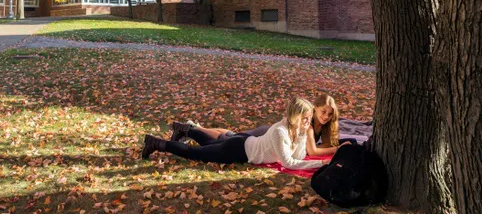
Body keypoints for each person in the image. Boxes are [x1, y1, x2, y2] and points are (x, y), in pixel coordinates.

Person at [141, 97, 328, 171]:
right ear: (295, 116)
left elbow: (298, 156)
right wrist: (320, 163)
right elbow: (289, 162)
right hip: (239, 149)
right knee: (195, 154)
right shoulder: (281, 131)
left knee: (207, 147)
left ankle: (187, 130)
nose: (308, 122)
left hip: (244, 143)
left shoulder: (296, 129)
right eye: (305, 118)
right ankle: (154, 143)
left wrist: (303, 134)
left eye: (309, 118)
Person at [168, 93, 347, 157]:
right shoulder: (307, 124)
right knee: (230, 135)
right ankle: (192, 127)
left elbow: (319, 147)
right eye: (323, 111)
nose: (326, 116)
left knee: (230, 136)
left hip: (265, 138)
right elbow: (314, 151)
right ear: (315, 108)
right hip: (263, 134)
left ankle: (190, 129)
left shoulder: (323, 125)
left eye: (329, 114)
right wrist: (336, 149)